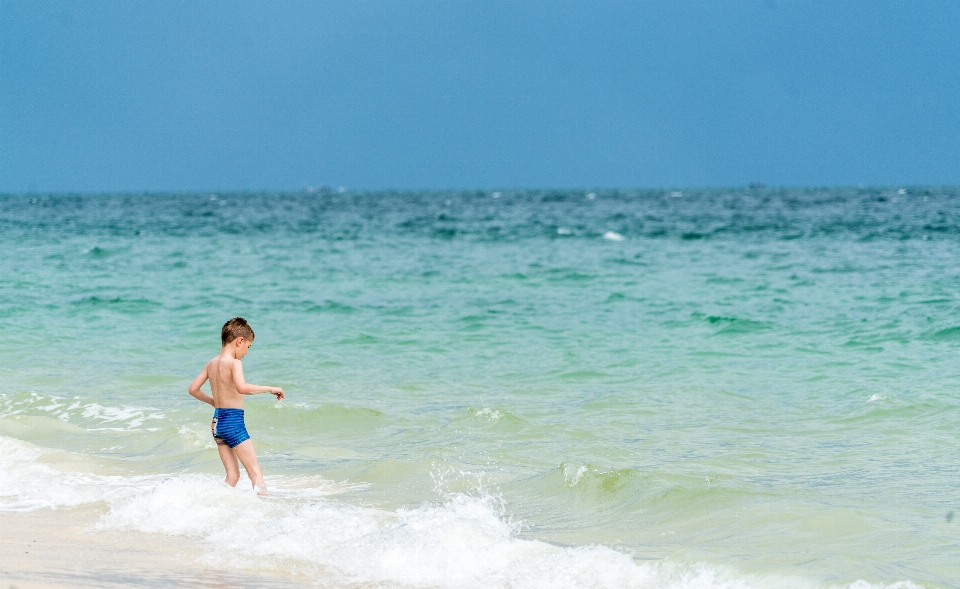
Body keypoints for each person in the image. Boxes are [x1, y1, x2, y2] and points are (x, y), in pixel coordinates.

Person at [188, 317, 284, 496]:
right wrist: (270, 388)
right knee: (256, 473)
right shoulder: (234, 363)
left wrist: (214, 402)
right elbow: (242, 387)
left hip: (217, 423)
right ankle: (265, 511)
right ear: (239, 341)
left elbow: (193, 389)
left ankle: (216, 504)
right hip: (233, 422)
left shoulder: (212, 363)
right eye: (248, 346)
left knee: (232, 476)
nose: (246, 352)